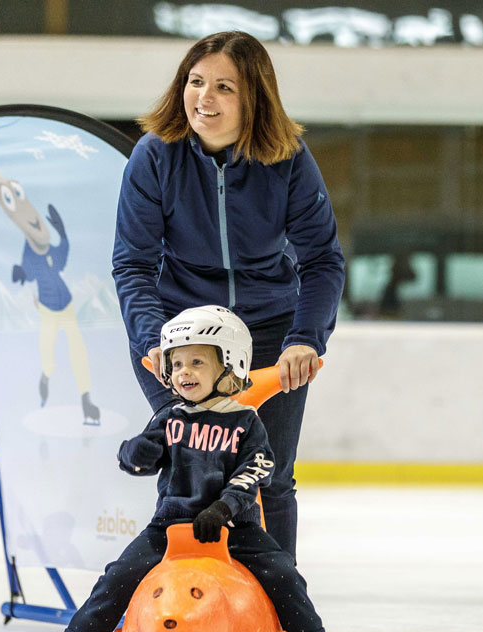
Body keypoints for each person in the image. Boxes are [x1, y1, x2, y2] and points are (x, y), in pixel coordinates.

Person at [38, 306, 350, 632]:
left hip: (235, 528)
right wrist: (138, 451)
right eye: (178, 362)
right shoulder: (169, 416)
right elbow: (135, 460)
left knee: (284, 574)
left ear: (231, 364)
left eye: (198, 362)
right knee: (117, 577)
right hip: (170, 527)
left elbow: (258, 470)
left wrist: (224, 508)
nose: (185, 371)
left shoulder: (244, 421)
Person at [112, 31, 345, 563]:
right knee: (189, 464)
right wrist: (155, 343)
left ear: (254, 98)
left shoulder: (286, 159)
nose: (204, 98)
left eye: (224, 87)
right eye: (195, 82)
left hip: (268, 336)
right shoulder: (154, 157)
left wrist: (304, 339)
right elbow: (133, 263)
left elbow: (322, 261)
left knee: (270, 473)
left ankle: (280, 608)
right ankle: (182, 599)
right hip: (178, 336)